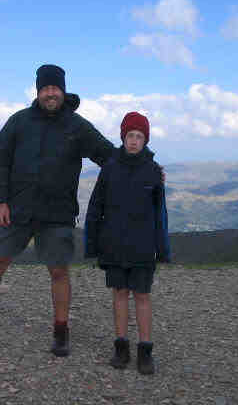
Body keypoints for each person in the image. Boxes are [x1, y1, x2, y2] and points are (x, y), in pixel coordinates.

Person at [0, 64, 134, 356]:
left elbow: (108, 155)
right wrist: (2, 200)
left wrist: (143, 166)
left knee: (59, 271)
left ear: (63, 91)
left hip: (57, 213)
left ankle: (61, 332)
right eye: (45, 88)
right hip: (17, 210)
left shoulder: (77, 126)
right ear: (38, 92)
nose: (50, 93)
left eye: (55, 88)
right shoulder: (19, 122)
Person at [84, 111, 168, 375]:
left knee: (142, 296)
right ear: (123, 137)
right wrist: (93, 244)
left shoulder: (154, 172)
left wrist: (162, 249)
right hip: (114, 244)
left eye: (139, 136)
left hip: (143, 247)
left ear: (145, 140)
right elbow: (95, 206)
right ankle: (121, 347)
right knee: (119, 294)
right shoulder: (109, 169)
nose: (133, 140)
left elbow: (160, 214)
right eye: (130, 135)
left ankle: (145, 351)